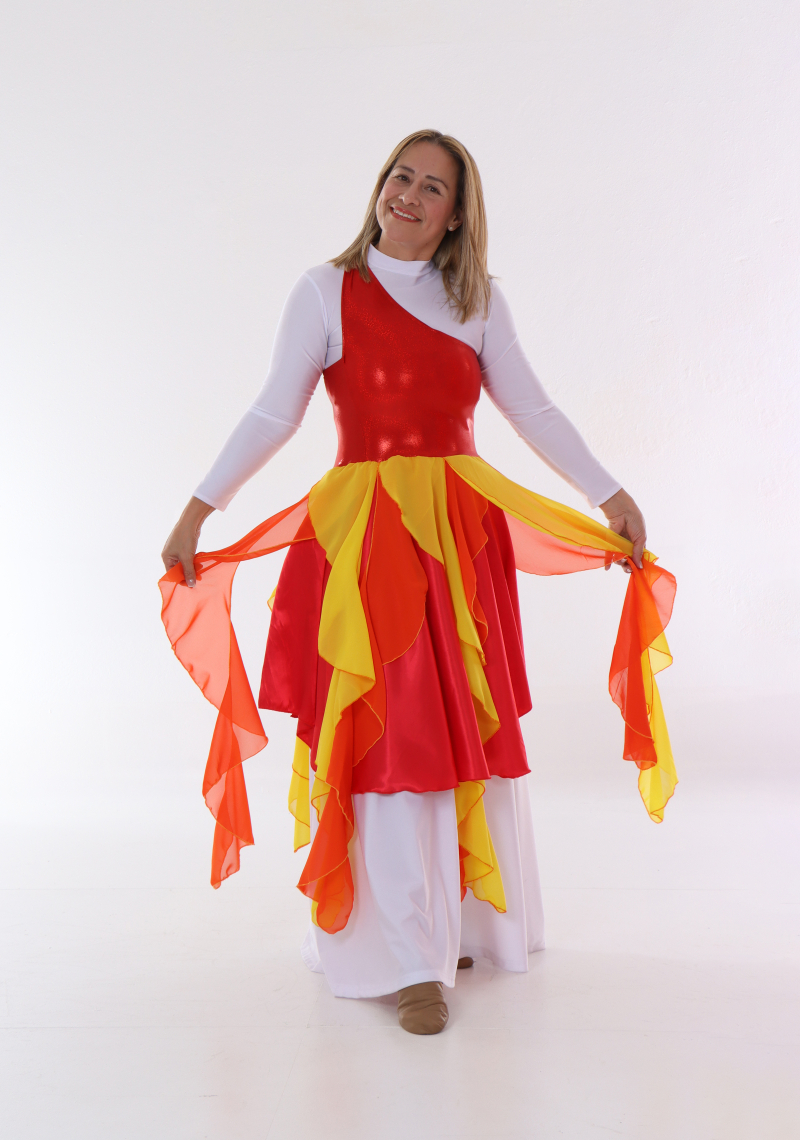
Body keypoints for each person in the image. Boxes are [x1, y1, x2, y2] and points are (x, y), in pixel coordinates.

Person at [160, 129, 676, 1035]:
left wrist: (610, 493)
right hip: (369, 542)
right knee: (391, 733)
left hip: (459, 538)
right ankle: (404, 958)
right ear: (380, 185)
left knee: (460, 724)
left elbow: (532, 407)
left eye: (433, 187)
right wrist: (199, 509)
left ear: (456, 217)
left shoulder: (477, 300)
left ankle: (464, 923)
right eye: (401, 176)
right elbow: (274, 411)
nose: (409, 194)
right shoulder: (325, 289)